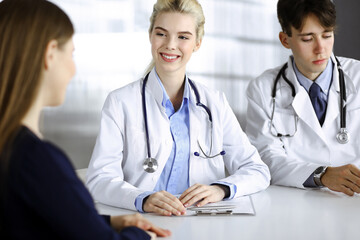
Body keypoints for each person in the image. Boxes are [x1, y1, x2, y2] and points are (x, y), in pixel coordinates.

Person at [0, 0, 171, 239]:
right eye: (71, 54)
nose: (73, 69)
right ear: (49, 54)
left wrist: (107, 222)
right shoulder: (36, 160)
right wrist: (141, 234)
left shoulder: (11, 149)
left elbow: (40, 216)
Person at [86, 0, 270, 216]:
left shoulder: (214, 103)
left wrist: (220, 189)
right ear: (150, 35)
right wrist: (142, 199)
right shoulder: (120, 102)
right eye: (161, 34)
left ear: (197, 43)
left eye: (183, 37)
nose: (170, 44)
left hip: (204, 223)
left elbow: (257, 170)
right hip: (146, 221)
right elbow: (100, 179)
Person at [246, 0, 360, 196]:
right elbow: (265, 158)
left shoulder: (357, 76)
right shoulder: (263, 89)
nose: (320, 49)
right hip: (295, 200)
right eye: (308, 39)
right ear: (285, 39)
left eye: (327, 35)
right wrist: (321, 175)